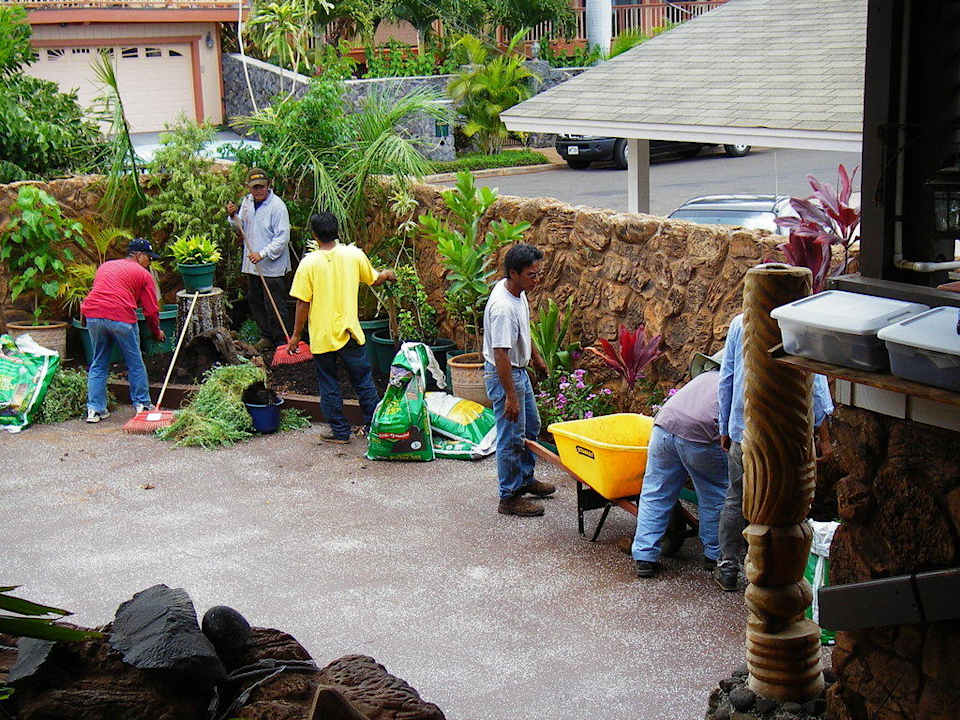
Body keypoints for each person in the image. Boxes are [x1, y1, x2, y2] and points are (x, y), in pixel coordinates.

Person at [715, 313, 834, 591]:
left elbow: (727, 377)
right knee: (786, 502)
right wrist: (824, 437)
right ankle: (775, 571)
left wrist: (725, 426)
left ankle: (728, 568)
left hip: (743, 430)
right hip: (787, 437)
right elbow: (815, 384)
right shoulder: (800, 325)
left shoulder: (740, 323)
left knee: (736, 499)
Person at [287, 212, 396, 443]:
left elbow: (302, 302)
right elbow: (374, 279)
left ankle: (339, 432)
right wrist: (387, 274)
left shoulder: (309, 263)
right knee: (363, 381)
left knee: (328, 382)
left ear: (315, 235)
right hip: (350, 332)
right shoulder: (353, 255)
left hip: (323, 336)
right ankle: (375, 429)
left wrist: (296, 335)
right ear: (336, 231)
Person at [632, 351, 728, 578]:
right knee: (714, 494)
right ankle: (714, 556)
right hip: (700, 437)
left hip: (663, 428)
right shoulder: (734, 384)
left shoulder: (702, 378)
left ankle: (644, 557)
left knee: (655, 491)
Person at [482, 243, 553, 517]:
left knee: (531, 427)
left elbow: (524, 328)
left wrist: (536, 357)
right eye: (532, 275)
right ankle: (509, 497)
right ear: (514, 273)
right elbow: (500, 354)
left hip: (518, 371)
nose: (537, 279)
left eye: (538, 273)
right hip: (506, 374)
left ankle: (524, 479)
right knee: (511, 437)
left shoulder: (518, 292)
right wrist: (510, 396)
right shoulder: (502, 307)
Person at [82, 238, 166, 423]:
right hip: (121, 316)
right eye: (149, 258)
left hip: (93, 315)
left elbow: (101, 291)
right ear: (139, 255)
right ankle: (142, 405)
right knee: (135, 362)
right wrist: (156, 332)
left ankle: (94, 410)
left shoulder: (105, 266)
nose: (150, 263)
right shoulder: (143, 274)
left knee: (98, 362)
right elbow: (151, 310)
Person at [226, 168, 291, 350]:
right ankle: (267, 336)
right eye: (255, 187)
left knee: (274, 304)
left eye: (262, 186)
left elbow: (282, 238)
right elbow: (240, 226)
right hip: (252, 264)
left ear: (268, 185)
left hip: (271, 265)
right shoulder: (247, 202)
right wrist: (233, 216)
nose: (259, 190)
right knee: (255, 300)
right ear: (249, 187)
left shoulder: (277, 206)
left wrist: (262, 254)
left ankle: (281, 341)